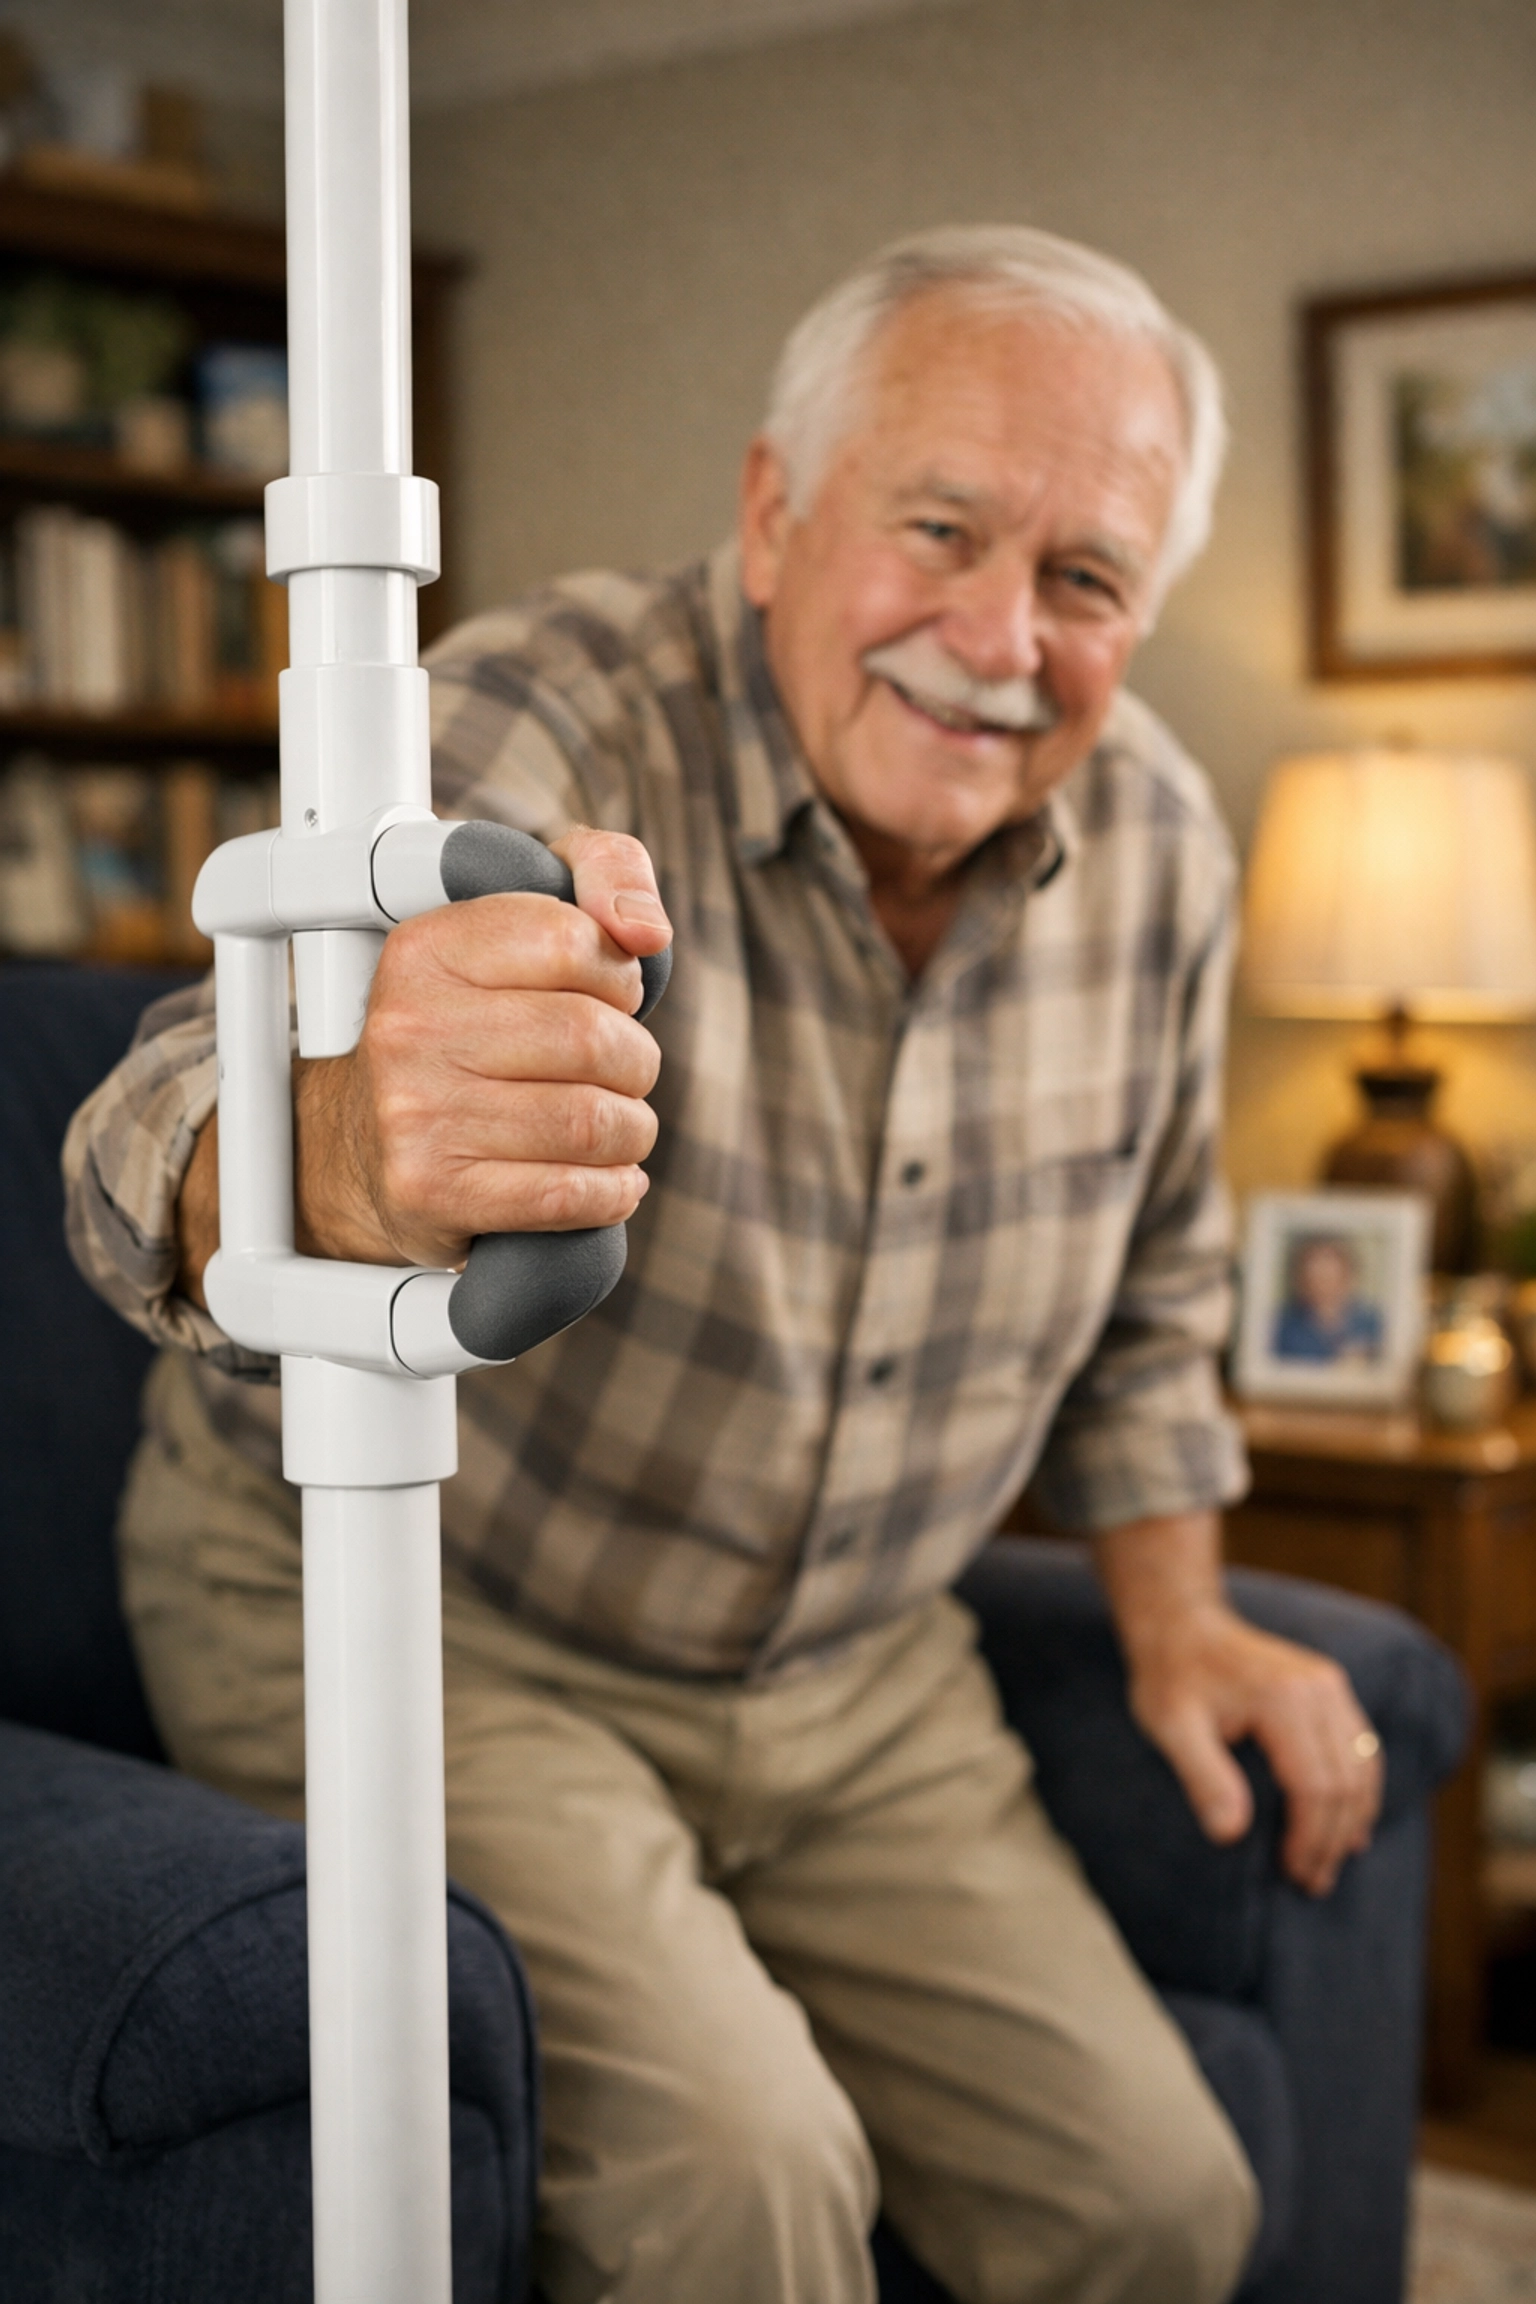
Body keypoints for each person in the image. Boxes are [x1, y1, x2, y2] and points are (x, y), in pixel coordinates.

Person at [65, 226, 1385, 2304]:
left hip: (862, 1677)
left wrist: (1182, 1620)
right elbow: (138, 1138)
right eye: (938, 527)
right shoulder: (535, 718)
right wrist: (342, 1142)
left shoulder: (1163, 844)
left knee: (1162, 2205)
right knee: (743, 2194)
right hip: (435, 1610)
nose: (998, 637)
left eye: (1085, 579)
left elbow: (1155, 1302)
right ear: (774, 513)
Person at [1272, 1232, 1384, 1363]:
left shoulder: (1371, 1322)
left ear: (1347, 1278)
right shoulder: (1284, 1326)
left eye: (1329, 1279)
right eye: (1315, 1279)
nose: (1322, 1288)